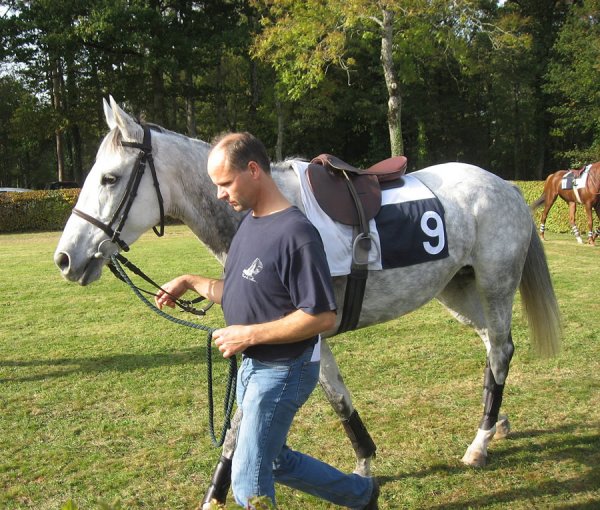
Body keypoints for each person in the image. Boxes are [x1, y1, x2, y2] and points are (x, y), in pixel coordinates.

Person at [155, 132, 379, 508]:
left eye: (225, 183)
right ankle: (361, 494)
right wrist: (191, 281)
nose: (219, 194)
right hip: (254, 368)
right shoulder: (251, 224)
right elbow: (246, 288)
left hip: (283, 371)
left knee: (247, 483)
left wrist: (248, 335)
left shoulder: (296, 233)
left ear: (253, 170)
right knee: (273, 461)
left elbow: (322, 316)